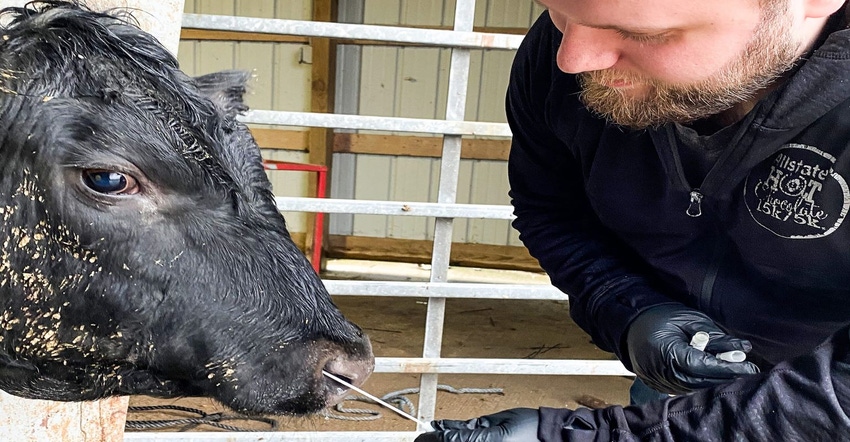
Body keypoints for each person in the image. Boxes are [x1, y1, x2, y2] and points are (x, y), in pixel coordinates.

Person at [417, 0, 850, 439]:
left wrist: (592, 435)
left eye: (645, 34)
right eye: (556, 11)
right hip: (674, 384)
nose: (572, 60)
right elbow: (552, 208)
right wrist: (629, 307)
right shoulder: (568, 44)